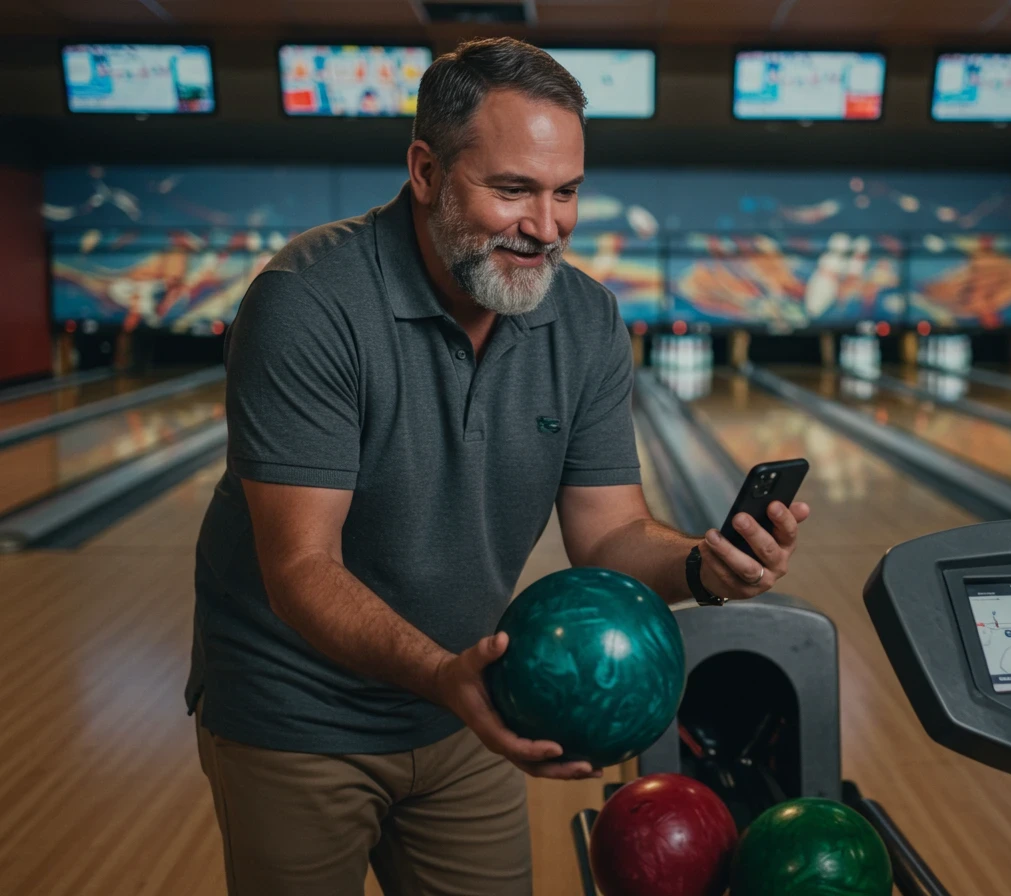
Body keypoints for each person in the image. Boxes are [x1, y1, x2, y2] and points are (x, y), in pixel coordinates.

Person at [185, 36, 810, 896]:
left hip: (467, 707)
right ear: (426, 170)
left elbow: (612, 533)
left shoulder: (585, 318)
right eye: (513, 189)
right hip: (296, 715)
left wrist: (704, 566)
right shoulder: (310, 303)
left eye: (566, 193)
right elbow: (300, 569)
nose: (545, 226)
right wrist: (447, 677)